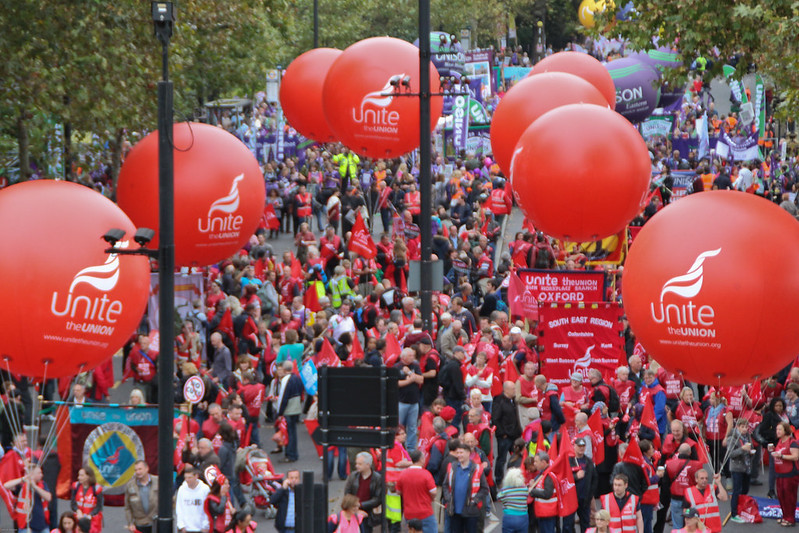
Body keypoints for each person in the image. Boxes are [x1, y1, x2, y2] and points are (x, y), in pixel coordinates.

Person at [441, 442, 489, 533]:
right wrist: (448, 498)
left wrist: (475, 501)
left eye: (461, 452)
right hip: (455, 511)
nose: (459, 455)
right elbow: (445, 485)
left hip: (471, 511)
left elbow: (484, 488)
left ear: (468, 453)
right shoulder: (452, 467)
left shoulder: (477, 469)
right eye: (458, 453)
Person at [396, 450, 437, 533]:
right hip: (425, 512)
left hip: (409, 513)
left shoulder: (403, 474)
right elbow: (433, 492)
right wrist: (431, 498)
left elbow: (398, 492)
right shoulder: (426, 474)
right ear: (421, 459)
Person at [4, 464, 52, 533]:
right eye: (39, 473)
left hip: (42, 525)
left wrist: (35, 487)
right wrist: (23, 478)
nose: (42, 475)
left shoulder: (43, 484)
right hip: (25, 525)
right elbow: (6, 486)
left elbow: (48, 497)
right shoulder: (22, 485)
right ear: (32, 474)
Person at [343, 452, 383, 533]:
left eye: (360, 464)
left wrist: (361, 505)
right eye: (356, 463)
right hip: (352, 512)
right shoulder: (353, 476)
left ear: (368, 465)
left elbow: (378, 499)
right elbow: (347, 493)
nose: (356, 466)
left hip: (367, 514)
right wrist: (355, 507)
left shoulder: (377, 478)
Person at [492, 380, 522, 484]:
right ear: (506, 390)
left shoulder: (514, 400)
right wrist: (503, 433)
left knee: (517, 457)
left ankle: (515, 479)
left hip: (515, 435)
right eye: (513, 389)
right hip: (505, 436)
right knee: (502, 459)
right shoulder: (499, 401)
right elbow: (495, 419)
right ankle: (499, 480)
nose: (515, 390)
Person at [771, 421, 799, 526]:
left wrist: (781, 456)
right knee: (781, 495)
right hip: (780, 472)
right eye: (777, 429)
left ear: (785, 431)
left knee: (789, 496)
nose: (777, 431)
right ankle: (785, 516)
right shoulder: (779, 441)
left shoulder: (792, 442)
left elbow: (795, 456)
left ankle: (790, 518)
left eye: (780, 430)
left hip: (790, 473)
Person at [395, 348, 424, 452]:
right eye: (410, 356)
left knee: (412, 427)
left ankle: (411, 448)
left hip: (414, 402)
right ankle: (399, 446)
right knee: (399, 426)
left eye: (413, 355)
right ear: (404, 357)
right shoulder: (397, 367)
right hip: (402, 402)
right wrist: (409, 381)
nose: (413, 357)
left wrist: (410, 374)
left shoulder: (415, 366)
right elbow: (396, 383)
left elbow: (421, 379)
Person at [727, 418, 755, 523]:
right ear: (737, 427)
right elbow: (731, 454)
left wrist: (751, 451)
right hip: (737, 468)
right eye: (742, 427)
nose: (744, 429)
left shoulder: (747, 436)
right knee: (736, 491)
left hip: (747, 466)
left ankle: (741, 508)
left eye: (746, 427)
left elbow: (751, 447)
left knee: (745, 489)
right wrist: (742, 449)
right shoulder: (732, 438)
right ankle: (734, 513)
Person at [276, 360, 304, 462]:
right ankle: (294, 454)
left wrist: (280, 412)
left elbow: (283, 397)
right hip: (296, 408)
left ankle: (290, 454)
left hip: (288, 409)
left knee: (288, 433)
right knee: (293, 432)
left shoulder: (285, 380)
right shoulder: (297, 378)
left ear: (284, 369)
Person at [684, 469, 727, 533]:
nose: (704, 480)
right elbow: (686, 510)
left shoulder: (713, 488)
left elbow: (724, 498)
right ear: (696, 479)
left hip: (713, 528)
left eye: (706, 478)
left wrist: (718, 483)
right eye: (702, 478)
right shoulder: (689, 492)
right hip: (698, 529)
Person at [123, 460, 158, 533]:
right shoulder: (130, 486)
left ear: (147, 468)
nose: (138, 472)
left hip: (156, 523)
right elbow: (127, 507)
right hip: (140, 524)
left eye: (140, 469)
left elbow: (168, 501)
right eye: (136, 470)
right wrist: (130, 523)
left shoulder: (158, 481)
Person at [529, 451, 559, 533]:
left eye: (536, 461)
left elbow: (547, 494)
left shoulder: (548, 475)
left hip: (547, 513)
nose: (534, 464)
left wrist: (532, 491)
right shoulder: (544, 473)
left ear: (543, 462)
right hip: (543, 512)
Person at [175, 465, 210, 533]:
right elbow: (179, 508)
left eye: (190, 477)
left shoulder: (205, 489)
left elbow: (207, 508)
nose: (187, 480)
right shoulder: (182, 489)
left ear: (196, 476)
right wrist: (181, 526)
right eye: (186, 478)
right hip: (186, 529)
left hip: (201, 528)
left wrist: (205, 525)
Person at [70, 467, 103, 533]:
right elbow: (73, 503)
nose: (79, 477)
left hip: (92, 521)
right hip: (78, 519)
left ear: (88, 476)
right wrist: (78, 510)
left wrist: (90, 515)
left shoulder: (97, 489)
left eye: (81, 475)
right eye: (79, 475)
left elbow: (99, 506)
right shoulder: (76, 486)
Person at [497, 467, 528, 533]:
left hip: (509, 517)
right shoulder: (524, 489)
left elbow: (499, 498)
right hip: (522, 517)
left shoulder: (505, 490)